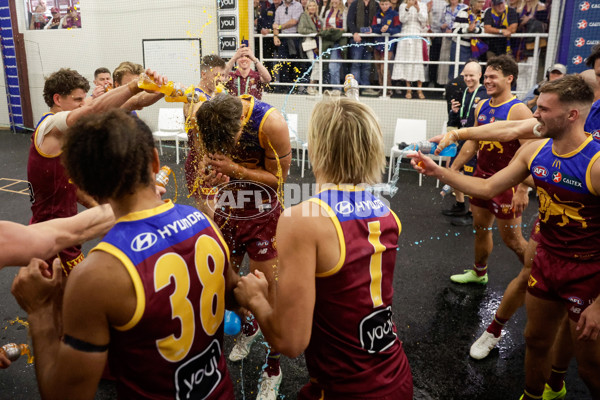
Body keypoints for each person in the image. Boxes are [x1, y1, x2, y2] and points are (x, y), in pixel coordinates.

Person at [12, 109, 238, 399]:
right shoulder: (202, 221)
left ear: (82, 186)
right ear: (155, 161)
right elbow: (233, 291)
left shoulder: (95, 275)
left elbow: (65, 394)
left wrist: (41, 312)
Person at [411, 74, 600, 400]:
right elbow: (487, 186)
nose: (534, 115)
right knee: (536, 341)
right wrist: (439, 170)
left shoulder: (595, 164)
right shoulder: (535, 151)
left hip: (588, 272)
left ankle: (557, 383)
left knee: (589, 368)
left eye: (542, 109)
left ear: (571, 115)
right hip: (546, 259)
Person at [234, 96, 413, 400]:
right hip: (395, 375)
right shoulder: (387, 214)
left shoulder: (303, 219)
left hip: (346, 388)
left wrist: (256, 300)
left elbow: (291, 342)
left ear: (317, 148)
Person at [191, 93, 292, 400]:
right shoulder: (206, 115)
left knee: (266, 292)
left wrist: (235, 169)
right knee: (222, 283)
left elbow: (278, 179)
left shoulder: (270, 123)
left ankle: (273, 368)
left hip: (262, 213)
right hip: (228, 209)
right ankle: (247, 328)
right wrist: (210, 173)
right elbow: (204, 168)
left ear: (238, 125)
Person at [27, 68, 164, 275]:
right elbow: (92, 110)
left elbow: (132, 104)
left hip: (66, 232)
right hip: (51, 237)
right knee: (81, 294)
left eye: (84, 99)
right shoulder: (50, 126)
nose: (83, 103)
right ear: (57, 99)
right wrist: (134, 85)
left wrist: (162, 90)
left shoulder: (67, 131)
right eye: (77, 100)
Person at [447, 55, 532, 285]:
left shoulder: (519, 110)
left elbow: (531, 154)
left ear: (509, 79)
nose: (487, 81)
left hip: (507, 185)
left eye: (493, 77)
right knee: (480, 229)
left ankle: (540, 278)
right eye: (486, 77)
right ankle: (479, 273)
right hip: (481, 177)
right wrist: (453, 169)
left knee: (513, 240)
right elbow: (473, 141)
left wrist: (523, 189)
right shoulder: (482, 105)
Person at [443, 60, 488, 223]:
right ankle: (460, 204)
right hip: (462, 139)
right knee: (452, 171)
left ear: (479, 75)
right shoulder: (465, 92)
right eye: (466, 75)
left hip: (475, 142)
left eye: (471, 75)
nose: (468, 78)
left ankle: (472, 213)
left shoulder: (484, 94)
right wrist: (454, 112)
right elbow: (459, 119)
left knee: (472, 177)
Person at [183, 55, 227, 208]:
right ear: (204, 74)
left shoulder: (214, 95)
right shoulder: (193, 96)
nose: (220, 79)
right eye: (216, 75)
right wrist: (205, 164)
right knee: (210, 212)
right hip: (201, 163)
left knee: (222, 210)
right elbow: (196, 135)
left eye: (222, 75)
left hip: (215, 162)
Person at [392, 0, 429, 99]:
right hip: (405, 35)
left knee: (417, 62)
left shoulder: (423, 5)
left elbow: (424, 20)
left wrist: (418, 9)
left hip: (417, 34)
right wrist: (407, 7)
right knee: (407, 62)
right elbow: (402, 19)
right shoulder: (403, 6)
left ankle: (419, 90)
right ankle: (409, 90)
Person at [347, 0, 380, 95]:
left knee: (367, 65)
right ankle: (354, 89)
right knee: (356, 64)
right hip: (357, 39)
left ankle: (365, 88)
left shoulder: (376, 4)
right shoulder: (355, 4)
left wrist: (373, 29)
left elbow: (378, 20)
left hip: (370, 39)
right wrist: (355, 32)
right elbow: (350, 20)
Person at [272, 0, 304, 92]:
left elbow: (294, 21)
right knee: (283, 64)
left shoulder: (298, 5)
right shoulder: (279, 9)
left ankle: (295, 89)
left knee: (295, 64)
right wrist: (275, 36)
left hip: (294, 39)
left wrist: (280, 27)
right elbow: (275, 25)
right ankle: (285, 88)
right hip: (283, 40)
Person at [371, 0, 401, 96]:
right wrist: (380, 30)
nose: (384, 6)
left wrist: (388, 30)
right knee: (379, 68)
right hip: (377, 44)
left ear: (390, 4)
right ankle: (381, 88)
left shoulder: (395, 14)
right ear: (380, 4)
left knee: (384, 67)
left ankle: (388, 88)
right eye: (382, 4)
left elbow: (398, 28)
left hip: (388, 44)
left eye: (386, 4)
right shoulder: (377, 15)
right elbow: (373, 27)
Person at [450, 0, 486, 79]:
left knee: (473, 70)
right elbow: (454, 30)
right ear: (473, 3)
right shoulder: (462, 12)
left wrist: (475, 30)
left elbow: (485, 30)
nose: (482, 4)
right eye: (479, 2)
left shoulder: (484, 15)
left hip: (476, 47)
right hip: (460, 46)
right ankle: (455, 89)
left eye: (483, 2)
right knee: (457, 70)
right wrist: (467, 30)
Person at [437, 0, 468, 85]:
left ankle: (457, 84)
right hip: (446, 38)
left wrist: (453, 31)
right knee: (445, 61)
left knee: (456, 62)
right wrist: (443, 26)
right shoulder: (445, 8)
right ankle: (445, 84)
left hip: (458, 39)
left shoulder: (464, 8)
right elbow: (440, 22)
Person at [320, 0, 347, 91]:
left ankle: (337, 89)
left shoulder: (344, 12)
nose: (334, 1)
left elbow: (345, 28)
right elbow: (324, 27)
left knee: (333, 67)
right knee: (327, 66)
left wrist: (334, 29)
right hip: (327, 42)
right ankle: (334, 88)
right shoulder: (328, 12)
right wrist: (327, 30)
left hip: (338, 42)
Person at [297, 0, 323, 95]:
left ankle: (314, 86)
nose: (312, 7)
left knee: (318, 64)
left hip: (317, 43)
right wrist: (314, 32)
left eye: (314, 6)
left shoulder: (317, 18)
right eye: (310, 6)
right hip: (309, 42)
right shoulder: (304, 16)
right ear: (307, 7)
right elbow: (301, 29)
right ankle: (310, 86)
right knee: (316, 64)